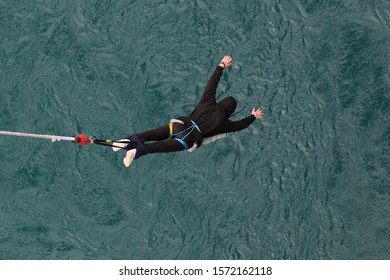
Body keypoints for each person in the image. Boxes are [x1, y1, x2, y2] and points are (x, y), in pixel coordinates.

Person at [114, 55, 263, 167]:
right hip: (187, 140)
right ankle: (136, 152)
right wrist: (253, 116)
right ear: (230, 112)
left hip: (181, 124)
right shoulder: (226, 124)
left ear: (222, 102)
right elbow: (241, 125)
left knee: (152, 134)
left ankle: (126, 141)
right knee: (155, 147)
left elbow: (212, 84)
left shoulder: (209, 101)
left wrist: (221, 66)